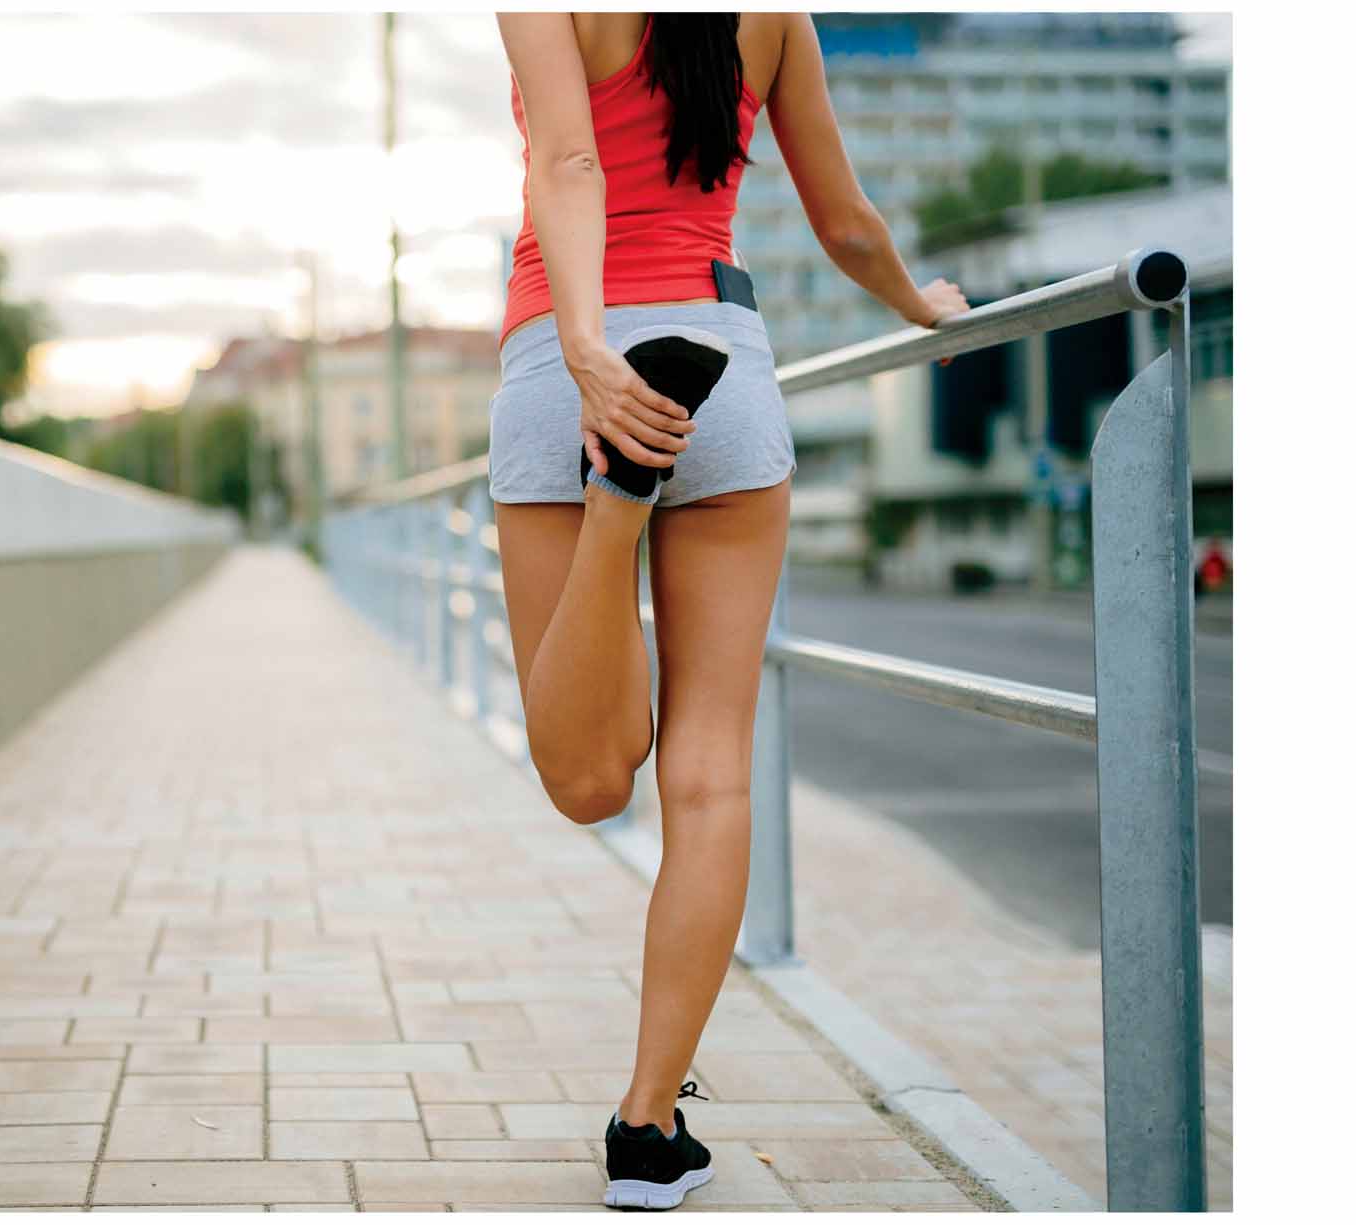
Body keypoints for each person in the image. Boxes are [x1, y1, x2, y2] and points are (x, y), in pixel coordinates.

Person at [491, 12, 967, 1209]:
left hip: (566, 354)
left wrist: (594, 353)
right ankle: (647, 1130)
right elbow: (846, 222)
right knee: (709, 773)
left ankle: (620, 499)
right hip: (722, 360)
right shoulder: (775, 15)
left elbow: (568, 157)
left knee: (588, 780)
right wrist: (924, 304)